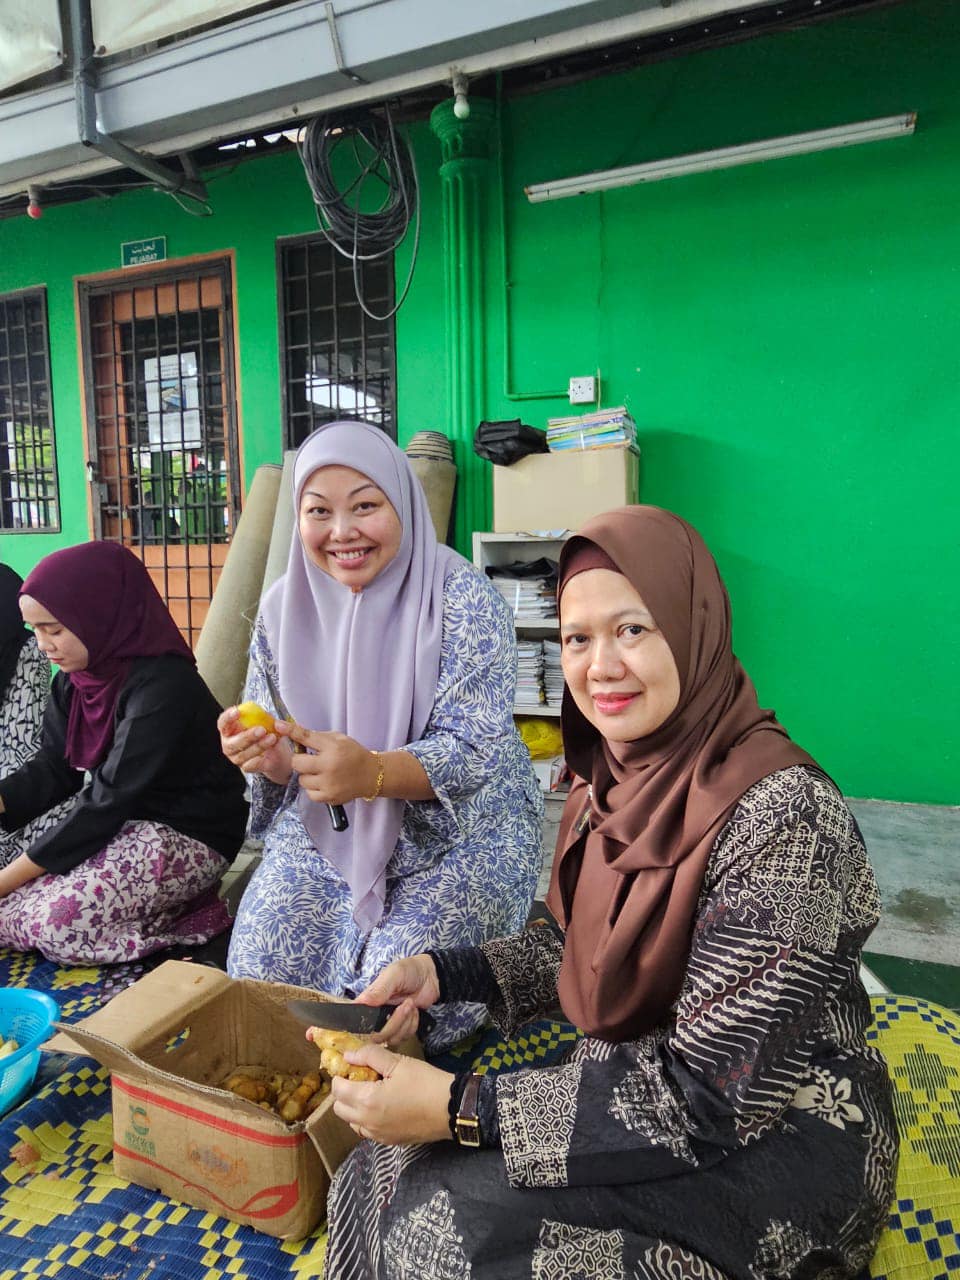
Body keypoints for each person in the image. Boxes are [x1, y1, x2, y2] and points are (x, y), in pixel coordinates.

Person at [320, 505, 898, 1280]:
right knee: (378, 1169)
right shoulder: (607, 785)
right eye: (577, 639)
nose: (601, 667)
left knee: (443, 1227)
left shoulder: (785, 818)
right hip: (636, 1081)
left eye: (632, 629)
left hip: (776, 1128)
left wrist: (464, 1106)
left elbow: (712, 1095)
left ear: (692, 628)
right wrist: (442, 975)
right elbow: (576, 949)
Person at [219, 421, 543, 1052]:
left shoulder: (463, 599)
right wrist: (266, 756)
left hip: (458, 831)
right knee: (259, 972)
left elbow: (473, 751)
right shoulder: (283, 608)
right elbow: (285, 748)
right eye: (319, 512)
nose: (342, 532)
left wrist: (370, 773)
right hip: (329, 830)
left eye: (365, 506)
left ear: (403, 503)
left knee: (392, 995)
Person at [0, 541, 249, 964]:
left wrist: (5, 881)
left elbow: (108, 799)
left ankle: (187, 918)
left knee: (57, 925)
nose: (43, 645)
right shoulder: (74, 681)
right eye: (35, 630)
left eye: (54, 629)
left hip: (188, 834)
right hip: (121, 827)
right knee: (11, 911)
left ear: (97, 614)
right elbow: (55, 770)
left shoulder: (163, 685)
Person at [0, 563, 63, 867]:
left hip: (14, 803)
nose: (46, 639)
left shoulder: (27, 651)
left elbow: (19, 748)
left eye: (55, 630)